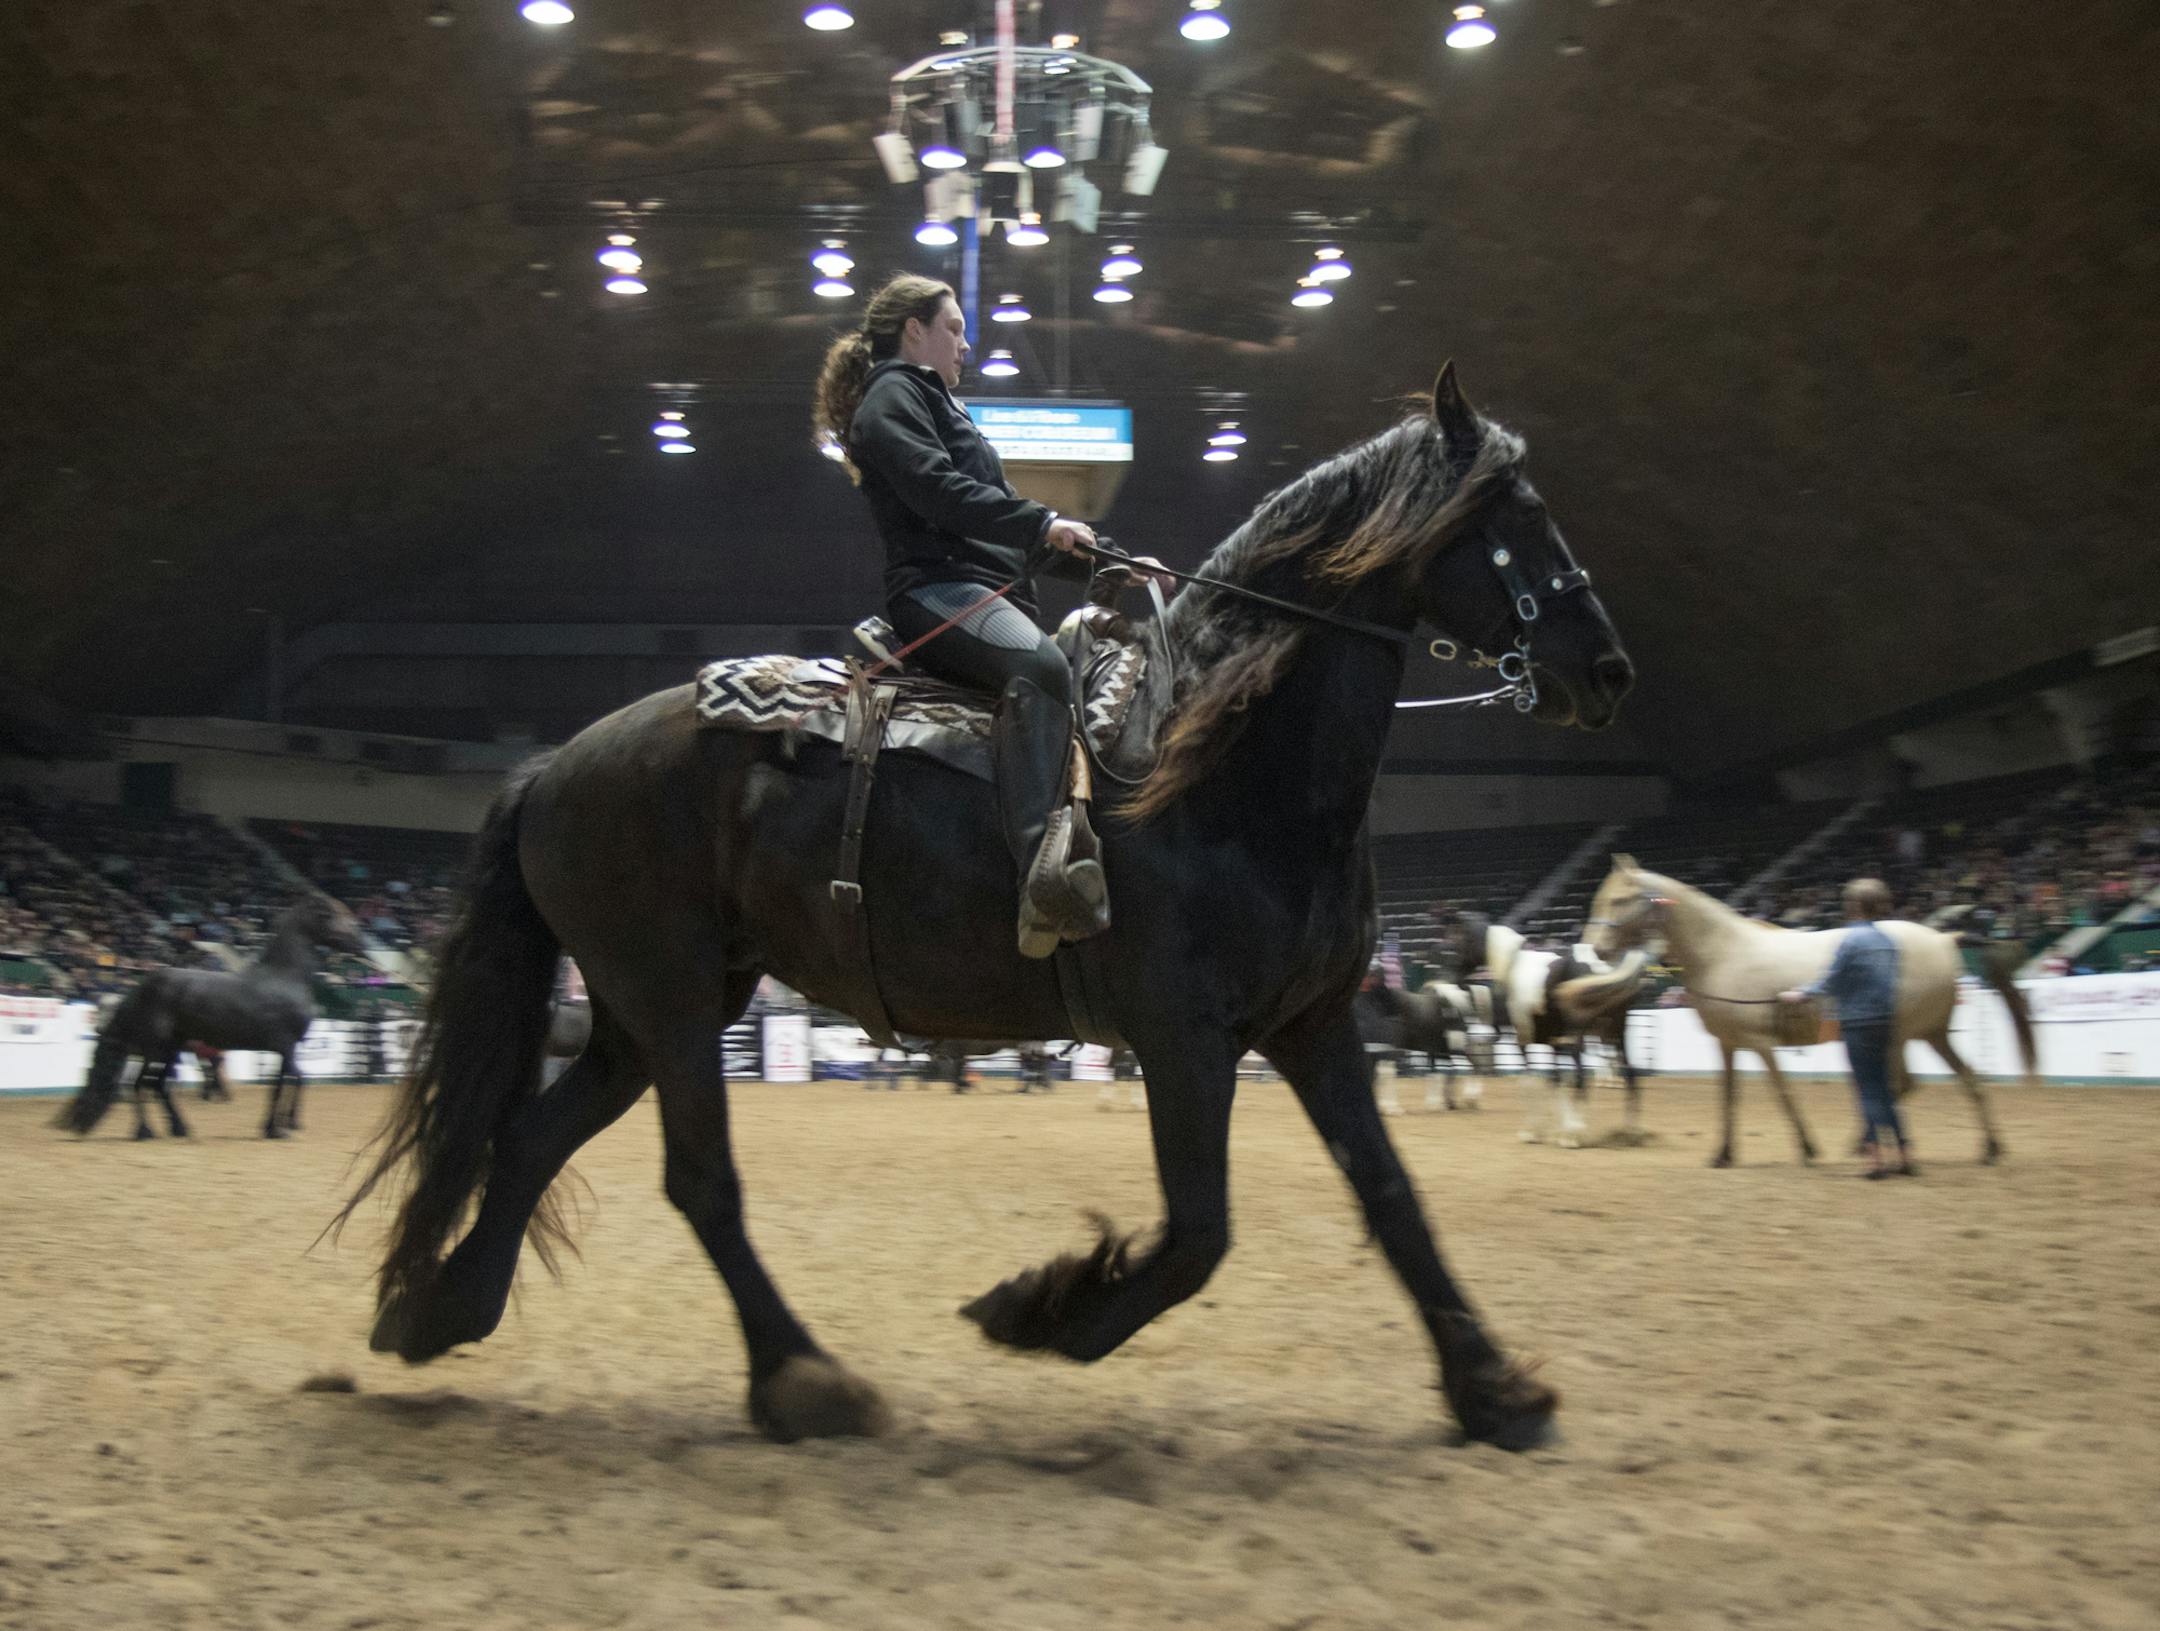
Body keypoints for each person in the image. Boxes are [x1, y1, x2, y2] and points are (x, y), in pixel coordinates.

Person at [813, 274, 1153, 957]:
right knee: (1040, 664)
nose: (965, 345)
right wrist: (1043, 520)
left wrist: (1108, 560)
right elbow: (942, 494)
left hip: (986, 589)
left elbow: (1005, 531)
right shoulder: (892, 395)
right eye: (955, 328)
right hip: (938, 592)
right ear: (914, 328)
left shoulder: (940, 405)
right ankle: (1039, 873)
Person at [1781, 877, 1914, 1178]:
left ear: (1853, 906)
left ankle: (1876, 1161)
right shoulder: (1888, 941)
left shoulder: (1850, 940)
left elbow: (1833, 979)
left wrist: (1801, 994)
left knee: (1866, 1091)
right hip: (1884, 1021)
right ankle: (1905, 1154)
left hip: (1857, 1022)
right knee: (1883, 1090)